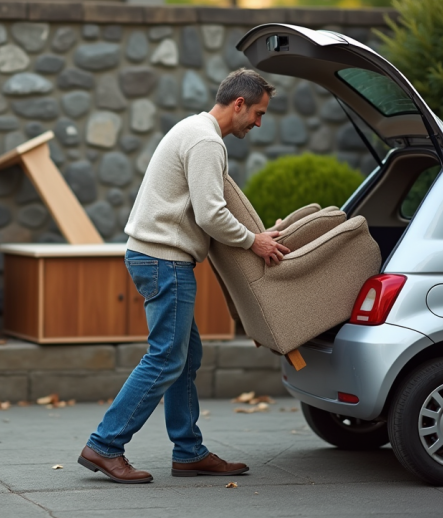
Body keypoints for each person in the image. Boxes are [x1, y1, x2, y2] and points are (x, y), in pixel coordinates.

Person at [78, 69, 289, 484]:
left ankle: (189, 452)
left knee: (185, 357)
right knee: (166, 357)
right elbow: (211, 214)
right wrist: (255, 242)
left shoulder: (193, 129)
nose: (259, 123)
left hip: (154, 256)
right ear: (239, 104)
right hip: (165, 260)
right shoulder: (207, 141)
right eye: (259, 113)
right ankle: (105, 445)